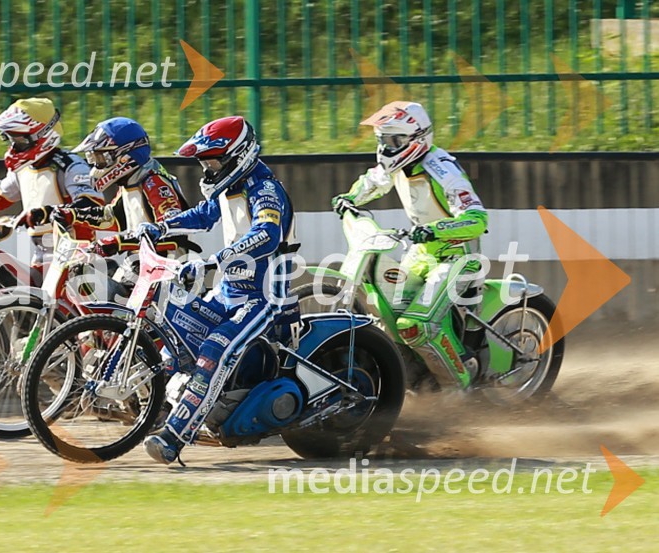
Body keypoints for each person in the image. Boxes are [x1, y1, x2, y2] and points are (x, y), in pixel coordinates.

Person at [137, 115, 297, 464]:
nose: (207, 168)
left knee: (214, 349)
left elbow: (266, 235)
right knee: (175, 335)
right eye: (203, 162)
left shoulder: (264, 189)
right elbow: (202, 215)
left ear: (237, 155)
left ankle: (174, 437)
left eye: (212, 160)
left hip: (263, 298)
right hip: (227, 292)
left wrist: (214, 261)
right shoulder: (229, 186)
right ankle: (150, 410)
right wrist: (160, 227)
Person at [332, 101, 488, 389]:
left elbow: (477, 218)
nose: (386, 147)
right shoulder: (400, 164)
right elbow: (373, 181)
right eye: (383, 140)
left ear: (416, 138)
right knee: (386, 314)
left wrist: (435, 230)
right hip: (419, 253)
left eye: (393, 141)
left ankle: (458, 387)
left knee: (416, 326)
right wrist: (349, 199)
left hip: (455, 256)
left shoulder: (443, 170)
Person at [0, 97, 104, 268]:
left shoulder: (71, 166)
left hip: (78, 259)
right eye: (10, 140)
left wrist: (46, 212)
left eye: (19, 141)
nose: (13, 147)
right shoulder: (22, 169)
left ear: (43, 135)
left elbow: (92, 203)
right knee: (0, 273)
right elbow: (0, 195)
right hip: (41, 260)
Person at [48, 116, 188, 256]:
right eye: (95, 158)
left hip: (167, 266)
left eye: (101, 158)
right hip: (141, 262)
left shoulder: (154, 183)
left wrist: (118, 242)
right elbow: (113, 218)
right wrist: (72, 214)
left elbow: (173, 231)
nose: (97, 165)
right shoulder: (131, 181)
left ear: (125, 157)